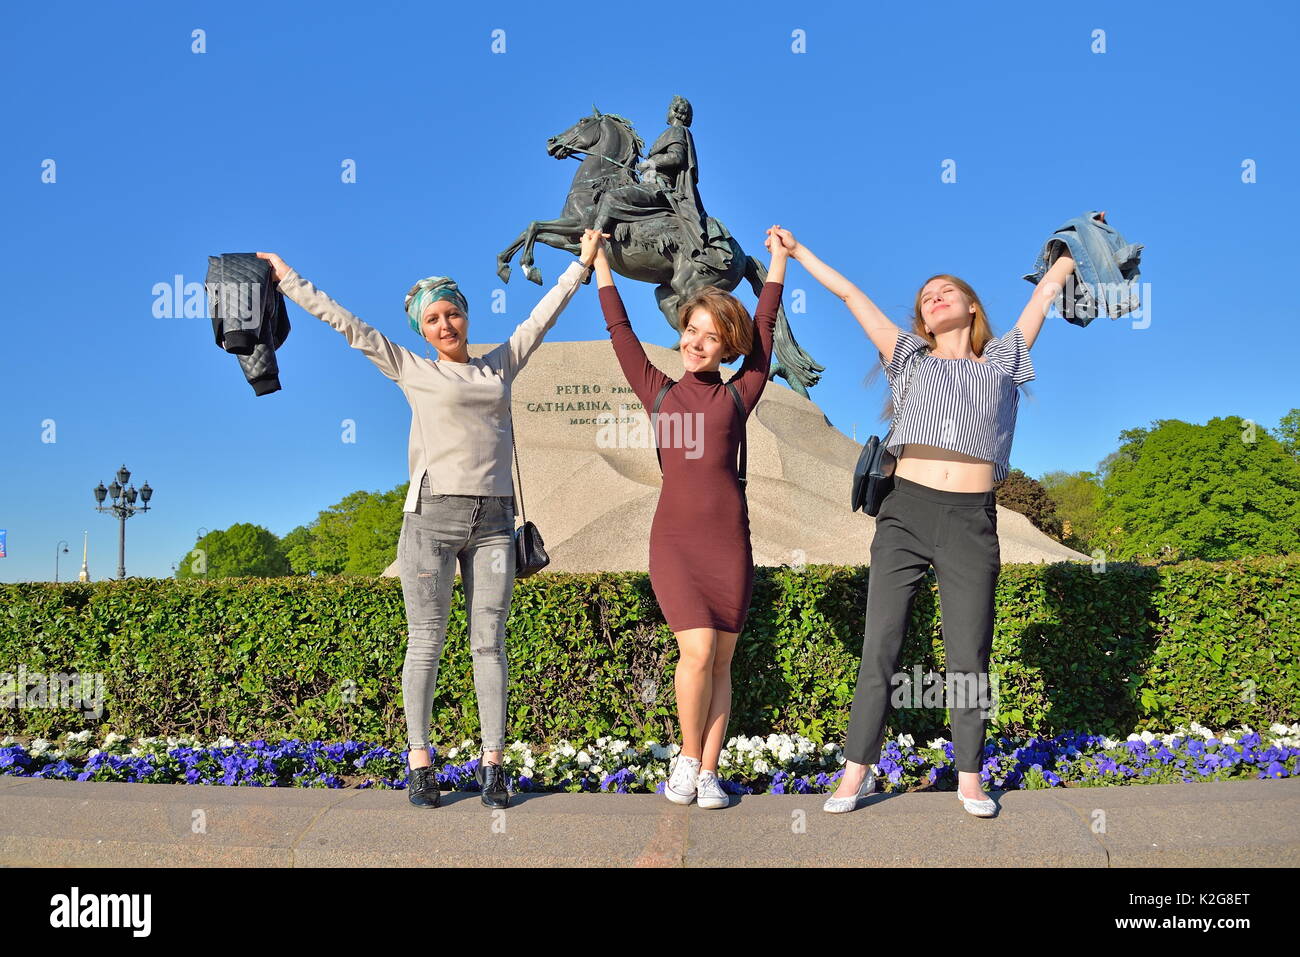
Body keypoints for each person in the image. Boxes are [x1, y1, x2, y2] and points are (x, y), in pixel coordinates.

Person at [255, 233, 601, 809]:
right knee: (426, 645)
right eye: (434, 318)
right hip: (431, 522)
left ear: (466, 317)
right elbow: (350, 326)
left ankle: (493, 763)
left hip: (493, 523)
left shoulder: (500, 367)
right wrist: (288, 278)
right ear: (422, 329)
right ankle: (420, 762)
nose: (446, 324)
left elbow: (542, 317)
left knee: (489, 645)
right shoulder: (412, 369)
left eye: (453, 313)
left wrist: (581, 266)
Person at [776, 231, 1076, 816]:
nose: (935, 298)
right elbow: (851, 297)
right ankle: (855, 774)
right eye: (927, 296)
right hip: (905, 514)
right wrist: (797, 253)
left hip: (970, 520)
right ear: (923, 318)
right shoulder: (908, 357)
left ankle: (969, 778)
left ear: (970, 307)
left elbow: (1042, 298)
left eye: (948, 292)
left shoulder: (1004, 359)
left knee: (969, 652)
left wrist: (1066, 254)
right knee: (879, 645)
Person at [594, 224, 786, 809]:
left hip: (730, 544)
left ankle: (708, 770)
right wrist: (600, 262)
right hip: (675, 543)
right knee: (697, 651)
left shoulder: (739, 393)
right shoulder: (658, 394)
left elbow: (767, 329)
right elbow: (620, 331)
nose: (697, 342)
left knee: (722, 661)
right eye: (690, 330)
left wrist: (777, 261)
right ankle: (685, 757)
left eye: (710, 336)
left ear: (728, 345)